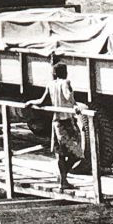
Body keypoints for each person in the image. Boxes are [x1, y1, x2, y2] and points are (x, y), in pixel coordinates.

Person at [28, 62, 81, 191]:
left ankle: (63, 179)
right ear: (66, 72)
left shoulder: (50, 85)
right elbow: (68, 97)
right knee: (77, 154)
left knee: (60, 154)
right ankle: (63, 178)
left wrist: (30, 102)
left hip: (55, 122)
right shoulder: (65, 83)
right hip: (66, 122)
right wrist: (75, 104)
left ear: (54, 73)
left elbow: (41, 101)